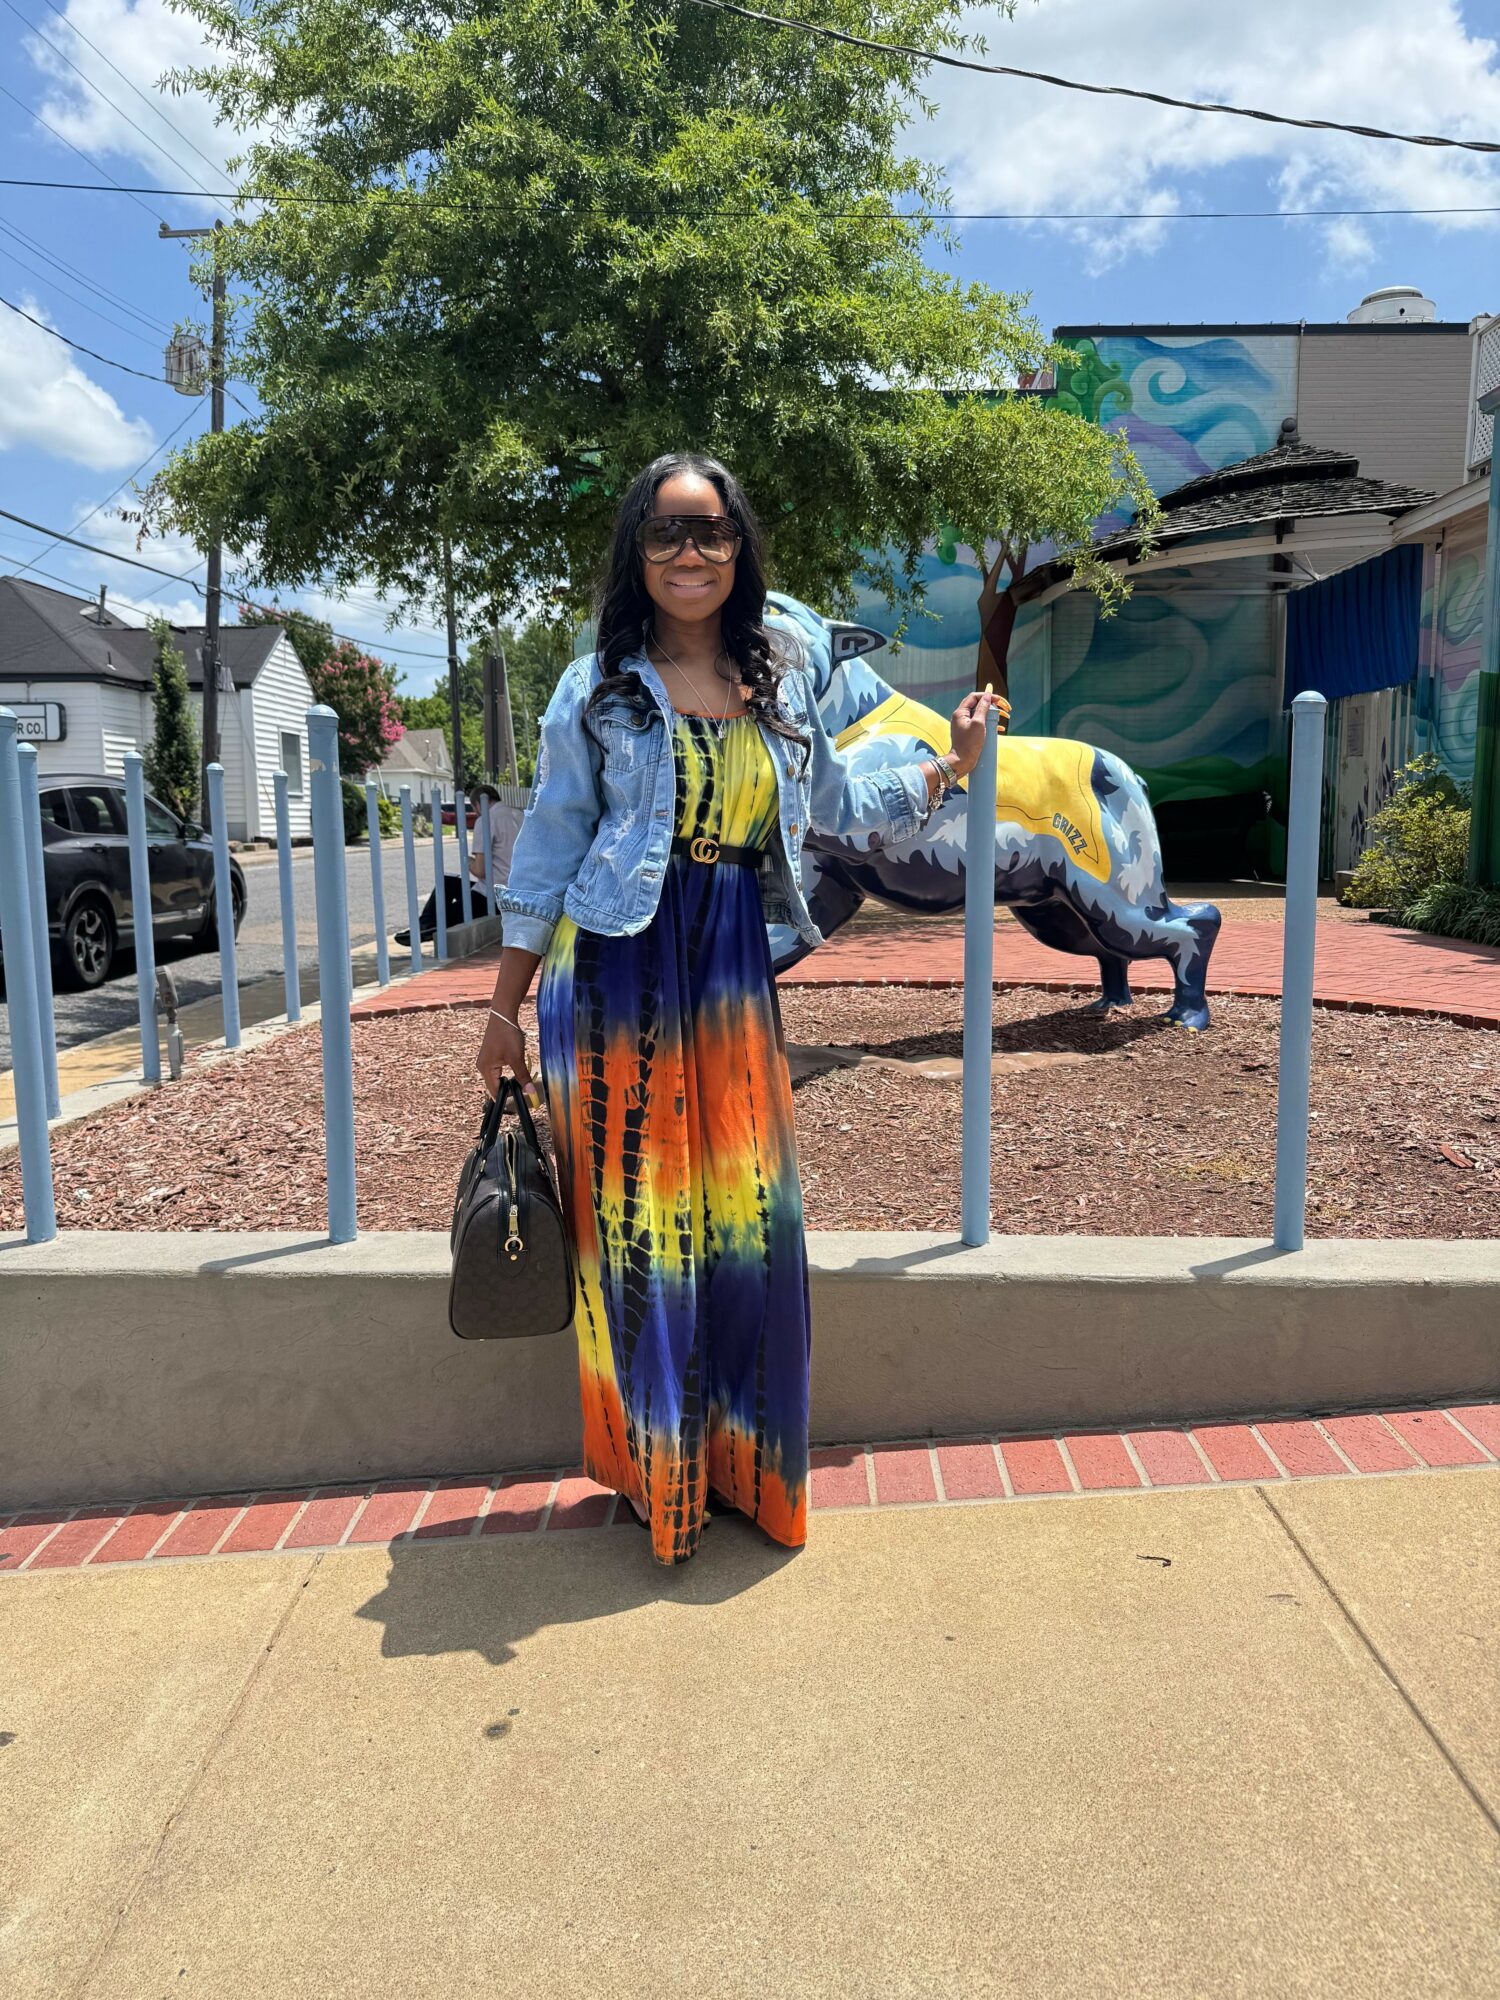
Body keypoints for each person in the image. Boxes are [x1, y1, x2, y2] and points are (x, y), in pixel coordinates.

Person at [476, 452, 996, 1565]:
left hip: (728, 973)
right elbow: (551, 846)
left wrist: (947, 766)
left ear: (738, 547)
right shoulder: (598, 686)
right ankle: (661, 1481)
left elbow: (838, 805)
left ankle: (745, 1470)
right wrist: (504, 1010)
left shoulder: (779, 676)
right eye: (665, 532)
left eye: (709, 531)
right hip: (612, 971)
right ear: (637, 550)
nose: (689, 552)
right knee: (645, 1226)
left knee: (752, 1218)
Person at [395, 783, 521, 944]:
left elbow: (480, 870)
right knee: (449, 883)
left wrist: (467, 860)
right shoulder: (519, 816)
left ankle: (426, 928)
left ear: (477, 805)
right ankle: (425, 926)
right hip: (517, 893)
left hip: (492, 896)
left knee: (446, 913)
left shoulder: (485, 820)